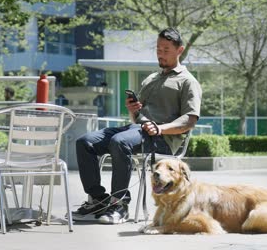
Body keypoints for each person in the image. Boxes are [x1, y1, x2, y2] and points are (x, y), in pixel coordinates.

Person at [73, 27, 202, 224]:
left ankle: (119, 204)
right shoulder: (151, 78)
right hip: (136, 130)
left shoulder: (187, 81)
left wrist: (161, 128)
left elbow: (189, 120)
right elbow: (136, 118)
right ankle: (98, 200)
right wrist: (132, 109)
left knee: (119, 141)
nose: (161, 53)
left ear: (179, 50)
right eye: (158, 49)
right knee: (85, 142)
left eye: (166, 49)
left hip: (163, 139)